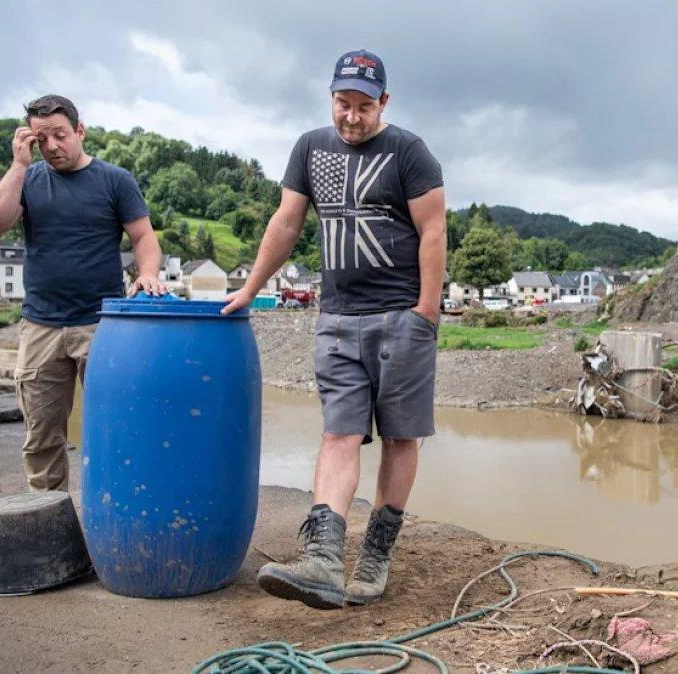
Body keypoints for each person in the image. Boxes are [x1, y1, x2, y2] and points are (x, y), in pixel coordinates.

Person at [223, 49, 447, 609]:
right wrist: (250, 288)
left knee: (399, 436)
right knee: (338, 432)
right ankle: (323, 559)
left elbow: (434, 231)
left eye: (364, 106)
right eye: (342, 104)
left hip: (401, 317)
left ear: (384, 102)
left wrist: (426, 312)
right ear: (331, 98)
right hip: (338, 317)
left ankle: (376, 553)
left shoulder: (409, 152)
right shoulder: (310, 147)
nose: (351, 116)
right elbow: (287, 221)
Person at [0, 94, 166, 492]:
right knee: (42, 437)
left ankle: (118, 520)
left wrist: (147, 274)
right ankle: (51, 527)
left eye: (60, 136)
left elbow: (144, 238)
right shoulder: (27, 180)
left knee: (118, 426)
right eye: (40, 139)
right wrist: (18, 165)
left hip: (102, 326)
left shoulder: (114, 180)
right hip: (40, 327)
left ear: (79, 131)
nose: (52, 147)